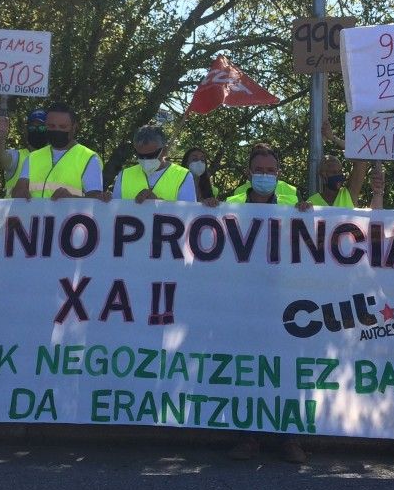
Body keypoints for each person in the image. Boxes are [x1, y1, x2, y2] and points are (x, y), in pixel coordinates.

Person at [208, 145, 311, 463]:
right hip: (244, 299)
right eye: (260, 170)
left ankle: (290, 437)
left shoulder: (293, 204)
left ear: (279, 174)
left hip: (285, 298)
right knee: (248, 366)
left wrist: (311, 217)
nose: (265, 176)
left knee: (288, 368)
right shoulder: (232, 205)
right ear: (248, 174)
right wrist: (207, 210)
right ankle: (248, 435)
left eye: (271, 171)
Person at [11, 103, 104, 200]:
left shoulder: (89, 158)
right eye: (51, 126)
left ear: (74, 127)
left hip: (69, 215)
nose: (57, 130)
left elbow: (95, 200)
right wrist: (18, 191)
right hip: (33, 215)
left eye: (63, 127)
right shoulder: (33, 157)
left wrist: (71, 198)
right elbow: (19, 189)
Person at [110, 126, 195, 202]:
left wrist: (158, 204)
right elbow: (114, 212)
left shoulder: (183, 176)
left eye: (150, 155)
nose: (145, 159)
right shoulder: (124, 175)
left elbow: (188, 214)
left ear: (164, 151)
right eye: (140, 155)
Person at [309, 121, 371, 207]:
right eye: (334, 172)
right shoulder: (312, 201)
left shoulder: (349, 193)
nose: (338, 175)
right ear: (323, 175)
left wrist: (333, 138)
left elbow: (361, 159)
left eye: (340, 171)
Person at [0, 109, 48, 196]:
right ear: (26, 130)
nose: (36, 131)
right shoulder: (16, 157)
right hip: (15, 209)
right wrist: (1, 134)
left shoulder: (56, 158)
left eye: (41, 127)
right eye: (32, 127)